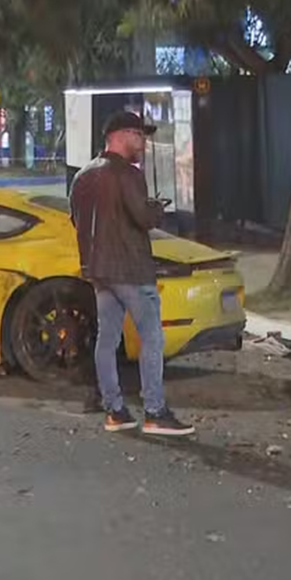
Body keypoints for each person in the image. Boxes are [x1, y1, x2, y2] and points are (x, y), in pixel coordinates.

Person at [69, 110, 195, 436]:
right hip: (131, 269)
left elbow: (76, 220)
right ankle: (155, 411)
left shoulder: (82, 176)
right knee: (152, 338)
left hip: (98, 270)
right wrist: (156, 209)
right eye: (138, 135)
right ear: (120, 135)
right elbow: (142, 217)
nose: (143, 142)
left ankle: (115, 410)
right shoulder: (127, 173)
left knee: (106, 340)